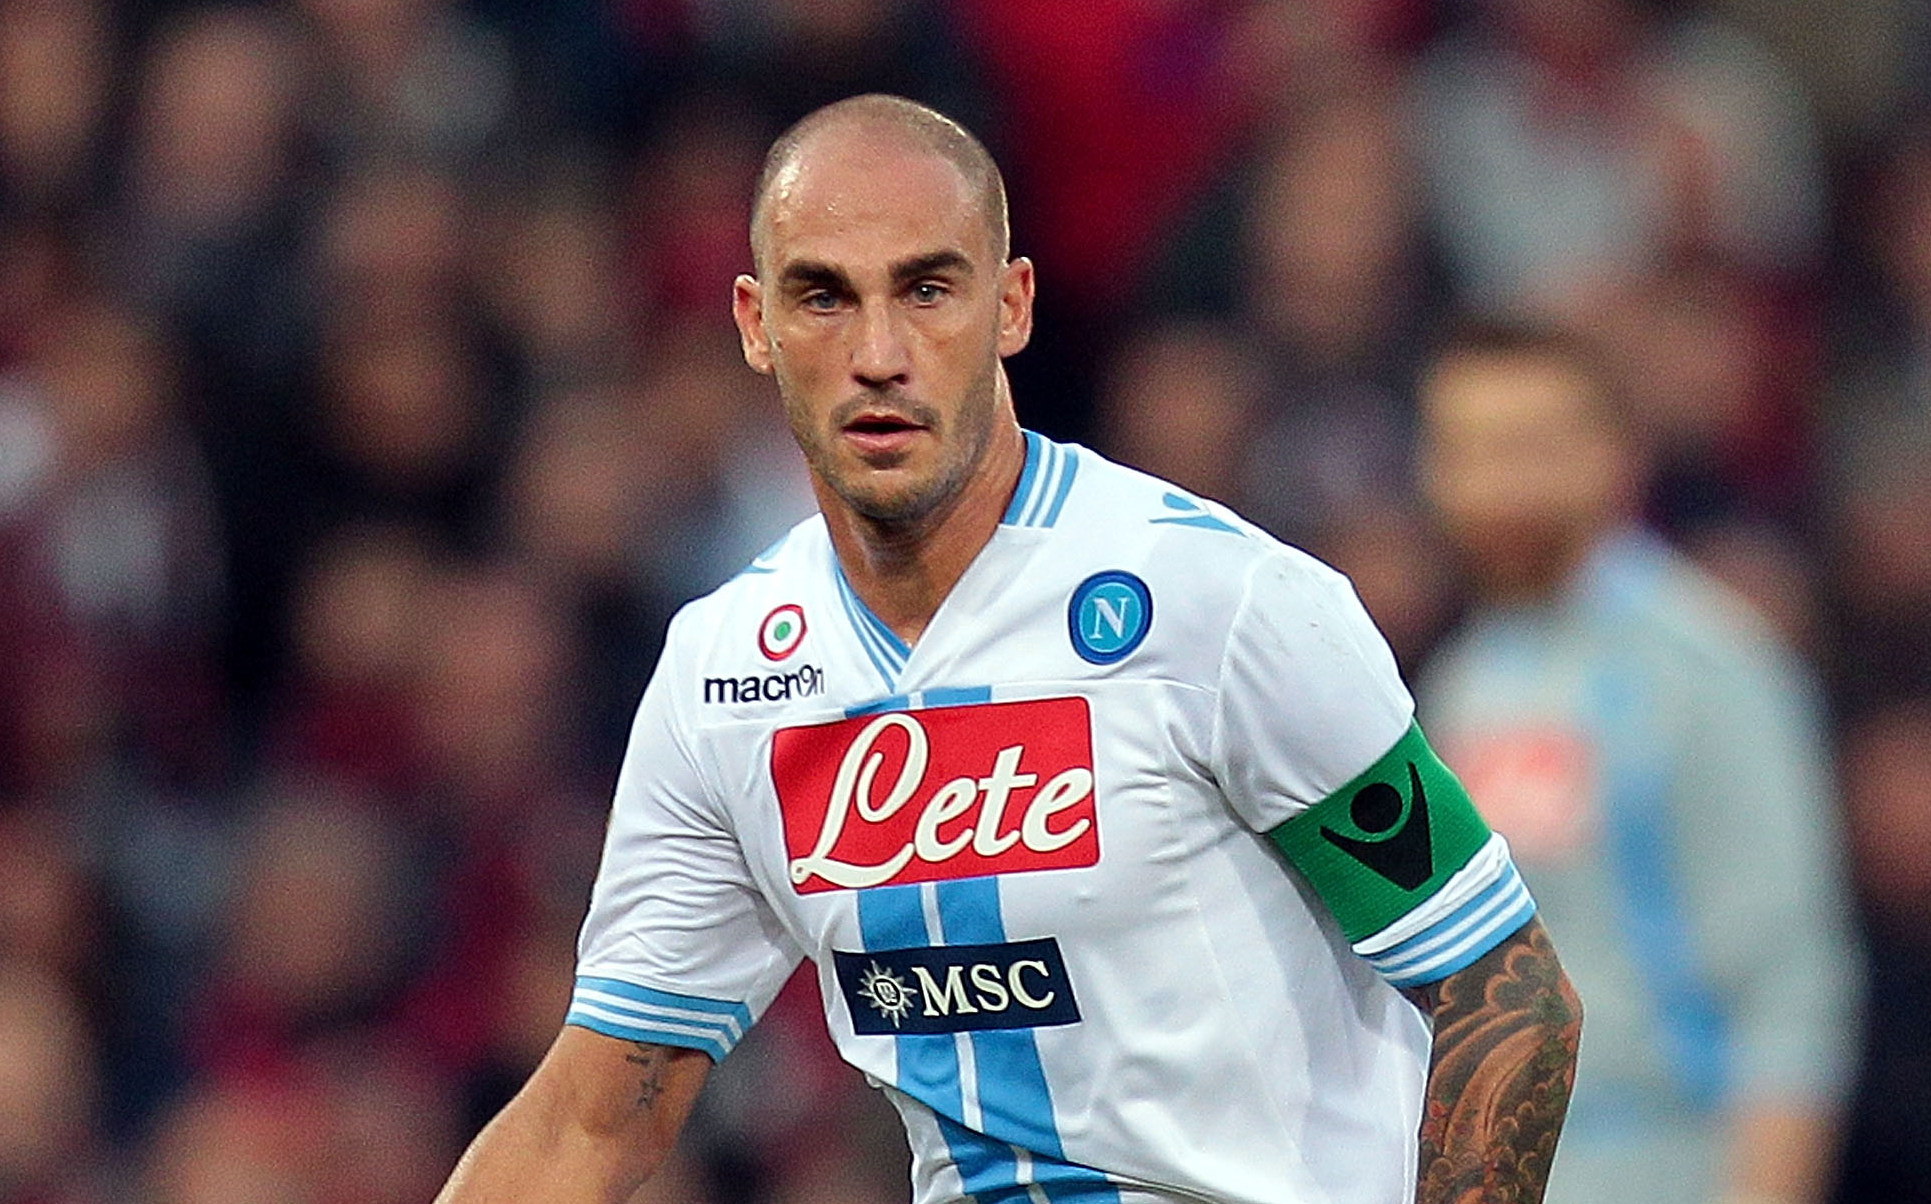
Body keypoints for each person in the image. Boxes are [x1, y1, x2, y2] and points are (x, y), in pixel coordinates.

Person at [433, 94, 1582, 1204]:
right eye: (822, 297)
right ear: (753, 325)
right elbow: (594, 1116)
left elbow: (1503, 986)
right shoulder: (725, 677)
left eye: (927, 289)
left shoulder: (1220, 606)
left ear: (1012, 306)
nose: (878, 352)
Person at [1413, 321, 1859, 1204]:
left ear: (1615, 455)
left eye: (1530, 448)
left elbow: (1788, 989)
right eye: (1468, 451)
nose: (1497, 485)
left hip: (1670, 1159)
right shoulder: (1457, 683)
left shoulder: (1709, 668)